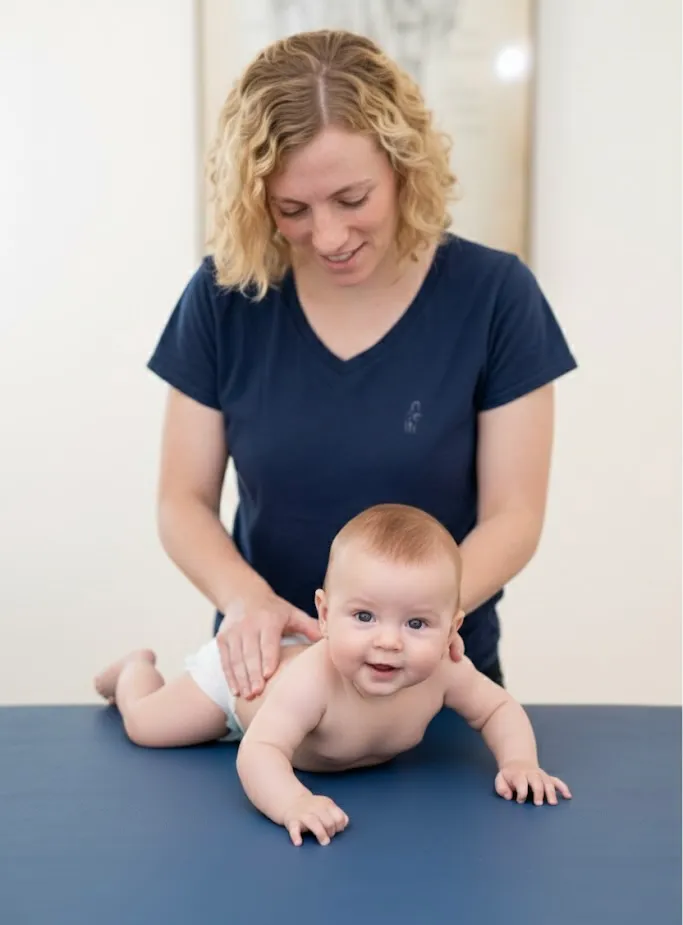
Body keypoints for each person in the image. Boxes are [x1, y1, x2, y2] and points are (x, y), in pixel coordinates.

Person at [147, 29, 576, 703]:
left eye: (352, 199)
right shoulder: (225, 297)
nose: (328, 236)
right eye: (292, 209)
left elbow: (513, 515)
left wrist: (403, 630)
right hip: (269, 680)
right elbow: (182, 501)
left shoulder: (496, 297)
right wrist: (245, 598)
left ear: (404, 168)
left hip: (433, 683)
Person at [94, 504, 571, 846]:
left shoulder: (445, 671)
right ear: (324, 614)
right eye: (364, 616)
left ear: (452, 628)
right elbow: (259, 751)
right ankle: (135, 670)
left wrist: (519, 762)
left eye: (417, 624)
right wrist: (293, 803)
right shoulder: (311, 681)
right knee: (147, 726)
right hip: (243, 683)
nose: (389, 641)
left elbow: (497, 707)